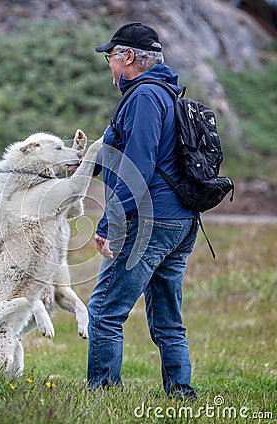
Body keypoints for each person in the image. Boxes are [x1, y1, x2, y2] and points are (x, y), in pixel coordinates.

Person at [87, 22, 199, 400]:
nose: (110, 67)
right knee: (168, 319)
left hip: (151, 222)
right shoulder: (165, 92)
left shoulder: (144, 96)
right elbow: (123, 148)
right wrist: (84, 164)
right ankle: (180, 393)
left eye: (110, 57)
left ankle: (103, 397)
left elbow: (139, 162)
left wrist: (109, 221)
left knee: (103, 311)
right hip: (181, 221)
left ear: (129, 57)